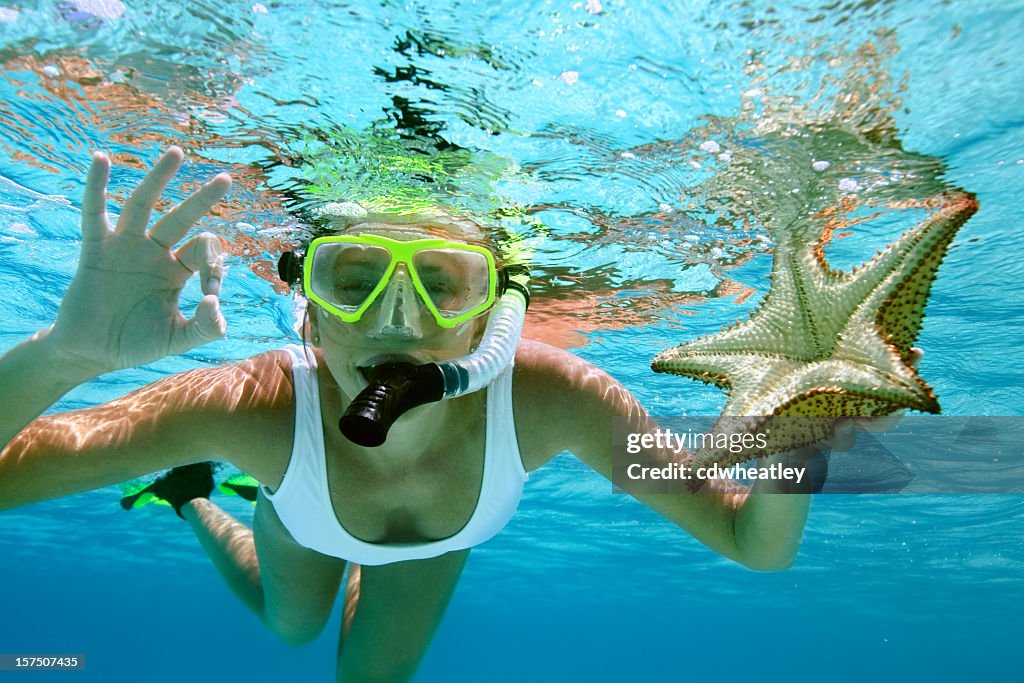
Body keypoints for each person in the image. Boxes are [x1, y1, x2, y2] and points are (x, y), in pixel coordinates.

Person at [0, 147, 822, 682]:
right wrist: (65, 355)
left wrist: (812, 430)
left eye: (442, 280)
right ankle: (193, 494)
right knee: (293, 628)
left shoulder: (550, 398)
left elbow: (752, 540)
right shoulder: (255, 407)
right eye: (353, 279)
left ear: (488, 317)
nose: (398, 320)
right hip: (305, 508)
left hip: (435, 539)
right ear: (308, 311)